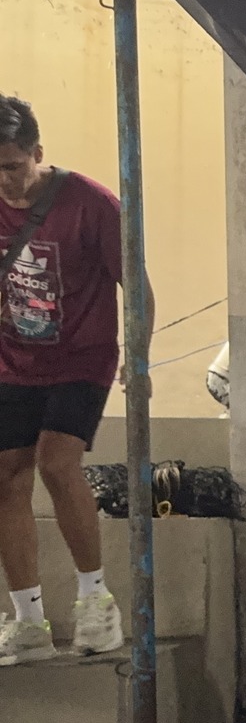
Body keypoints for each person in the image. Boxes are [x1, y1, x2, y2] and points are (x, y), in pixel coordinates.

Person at [0, 96, 128, 666]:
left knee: (56, 462)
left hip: (83, 355)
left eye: (12, 167)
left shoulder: (92, 204)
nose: (5, 181)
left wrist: (141, 357)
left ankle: (95, 600)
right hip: (13, 361)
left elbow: (135, 279)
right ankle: (28, 621)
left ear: (38, 155)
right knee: (6, 477)